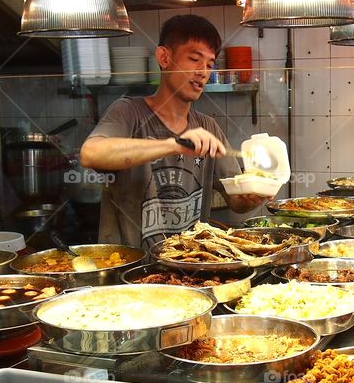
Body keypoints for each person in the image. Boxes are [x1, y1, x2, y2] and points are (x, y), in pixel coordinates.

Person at [80, 15, 265, 249]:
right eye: (194, 59)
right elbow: (90, 153)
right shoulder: (127, 112)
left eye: (209, 64)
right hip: (131, 272)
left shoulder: (208, 127)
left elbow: (235, 201)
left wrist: (252, 197)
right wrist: (174, 144)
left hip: (189, 270)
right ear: (164, 57)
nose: (203, 72)